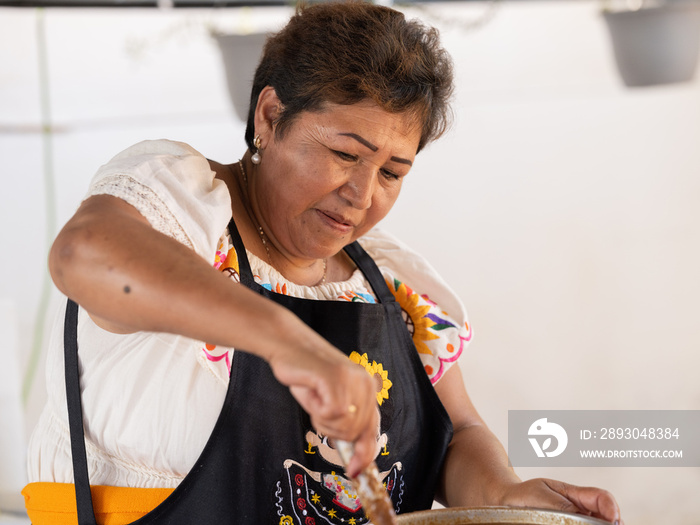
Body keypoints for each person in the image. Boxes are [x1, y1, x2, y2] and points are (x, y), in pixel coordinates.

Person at [22, 2, 622, 524]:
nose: (363, 196)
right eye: (343, 154)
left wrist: (503, 494)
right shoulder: (183, 209)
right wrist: (288, 342)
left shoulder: (393, 286)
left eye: (392, 172)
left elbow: (458, 431)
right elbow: (83, 254)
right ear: (269, 116)